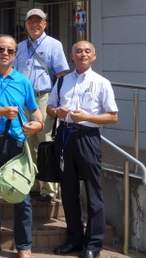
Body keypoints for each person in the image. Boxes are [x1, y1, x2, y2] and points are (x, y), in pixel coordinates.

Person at [0, 35, 45, 258]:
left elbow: (35, 110)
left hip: (17, 142)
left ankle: (24, 245)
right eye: (1, 49)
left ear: (15, 55)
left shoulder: (23, 81)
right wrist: (1, 111)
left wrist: (38, 124)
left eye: (10, 50)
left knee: (21, 194)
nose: (5, 53)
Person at [47, 41, 118, 258]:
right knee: (68, 192)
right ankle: (74, 240)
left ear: (94, 56)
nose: (83, 54)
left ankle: (93, 245)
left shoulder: (102, 82)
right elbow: (50, 107)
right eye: (78, 51)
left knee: (93, 192)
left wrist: (87, 117)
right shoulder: (62, 81)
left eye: (87, 51)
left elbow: (112, 116)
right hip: (64, 136)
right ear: (72, 56)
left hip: (87, 137)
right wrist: (56, 112)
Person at [14, 8, 70, 202]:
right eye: (31, 21)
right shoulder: (19, 47)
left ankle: (49, 188)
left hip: (44, 97)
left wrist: (58, 101)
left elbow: (61, 75)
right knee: (26, 142)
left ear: (45, 24)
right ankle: (30, 184)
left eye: (39, 21)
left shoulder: (54, 45)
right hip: (23, 100)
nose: (34, 25)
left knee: (46, 142)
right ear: (26, 24)